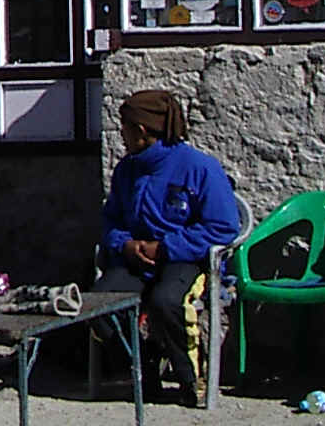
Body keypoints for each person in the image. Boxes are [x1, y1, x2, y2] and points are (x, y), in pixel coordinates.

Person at [94, 88, 241, 407]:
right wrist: (126, 244)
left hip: (185, 258)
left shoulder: (199, 168)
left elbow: (224, 226)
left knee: (166, 301)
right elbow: (110, 220)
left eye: (125, 129)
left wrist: (166, 247)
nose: (122, 135)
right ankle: (143, 369)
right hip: (137, 258)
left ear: (142, 131)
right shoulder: (127, 170)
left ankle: (190, 379)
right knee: (100, 305)